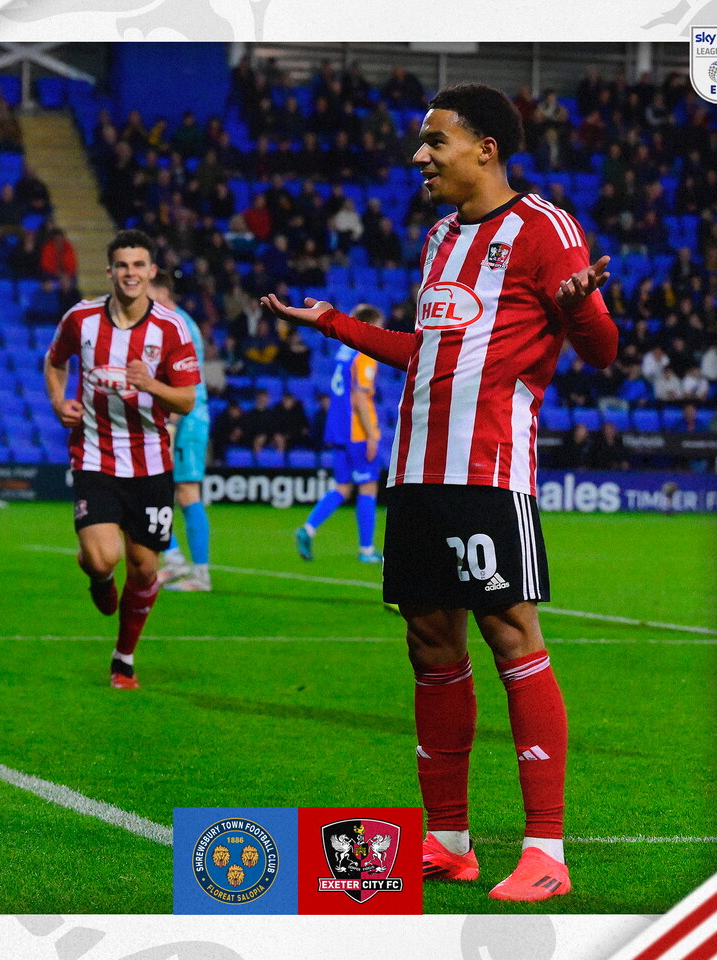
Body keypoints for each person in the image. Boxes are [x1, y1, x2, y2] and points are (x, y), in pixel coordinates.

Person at [262, 83, 617, 901]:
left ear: (486, 147)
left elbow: (600, 348)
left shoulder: (545, 229)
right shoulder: (436, 239)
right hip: (416, 471)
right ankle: (450, 840)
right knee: (430, 646)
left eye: (435, 141)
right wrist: (335, 324)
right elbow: (427, 349)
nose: (419, 155)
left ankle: (546, 852)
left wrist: (583, 307)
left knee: (510, 636)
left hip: (487, 471)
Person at [44, 229, 200, 690]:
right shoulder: (82, 319)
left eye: (139, 265)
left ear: (151, 271)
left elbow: (187, 400)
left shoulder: (171, 328)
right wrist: (58, 402)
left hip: (151, 462)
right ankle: (96, 576)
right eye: (122, 266)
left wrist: (151, 384)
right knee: (102, 558)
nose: (131, 274)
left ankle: (124, 657)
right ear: (110, 271)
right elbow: (55, 361)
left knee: (146, 566)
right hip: (94, 455)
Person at [295, 304, 385, 564]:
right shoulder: (365, 353)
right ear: (370, 326)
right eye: (378, 325)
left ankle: (308, 528)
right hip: (356, 430)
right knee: (368, 486)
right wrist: (371, 435)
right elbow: (359, 396)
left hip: (337, 428)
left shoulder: (344, 352)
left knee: (343, 487)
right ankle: (366, 550)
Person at [148, 273, 213, 593]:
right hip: (177, 416)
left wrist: (171, 423)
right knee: (155, 490)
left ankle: (198, 574)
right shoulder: (170, 322)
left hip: (186, 418)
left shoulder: (176, 324)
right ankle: (174, 560)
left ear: (160, 291)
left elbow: (182, 379)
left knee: (186, 492)